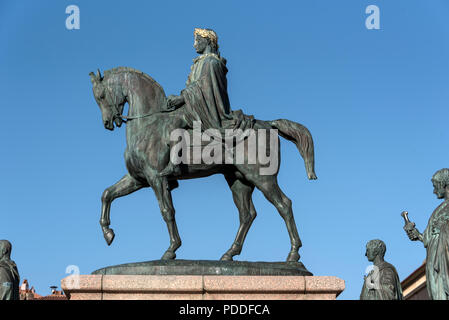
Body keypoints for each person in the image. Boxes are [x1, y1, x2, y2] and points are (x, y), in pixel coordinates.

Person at [159, 28, 253, 177]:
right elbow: (193, 87)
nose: (194, 44)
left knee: (173, 124)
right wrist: (178, 97)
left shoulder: (211, 62)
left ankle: (174, 164)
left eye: (197, 40)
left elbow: (204, 87)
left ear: (208, 41)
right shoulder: (199, 63)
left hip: (207, 108)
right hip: (195, 103)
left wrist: (183, 98)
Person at [404, 168, 449, 300]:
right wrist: (417, 235)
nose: (434, 191)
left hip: (444, 262)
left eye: (435, 187)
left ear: (444, 184)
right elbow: (428, 239)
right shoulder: (438, 210)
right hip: (434, 263)